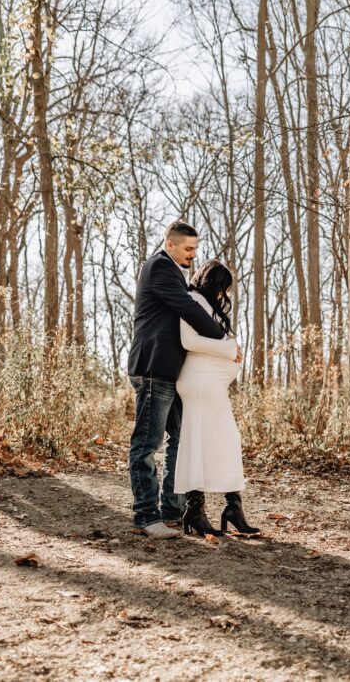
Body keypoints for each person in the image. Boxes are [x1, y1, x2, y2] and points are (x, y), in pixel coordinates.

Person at [126, 221, 235, 539]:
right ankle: (146, 517)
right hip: (152, 367)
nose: (193, 254)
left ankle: (173, 511)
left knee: (182, 441)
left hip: (171, 371)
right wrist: (221, 336)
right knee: (147, 445)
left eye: (196, 249)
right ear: (170, 244)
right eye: (188, 249)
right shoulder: (160, 267)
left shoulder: (174, 272)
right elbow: (186, 308)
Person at [174, 259, 260, 537]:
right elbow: (189, 342)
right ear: (214, 284)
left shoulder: (206, 304)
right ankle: (208, 508)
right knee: (214, 440)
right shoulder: (193, 299)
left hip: (208, 382)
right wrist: (229, 348)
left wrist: (230, 347)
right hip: (199, 382)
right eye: (224, 288)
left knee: (210, 441)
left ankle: (217, 508)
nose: (226, 295)